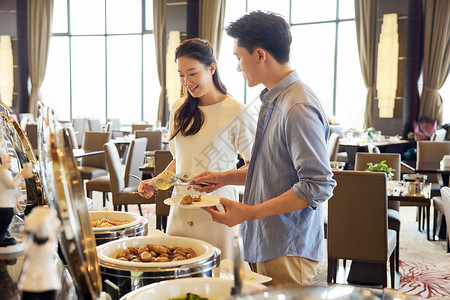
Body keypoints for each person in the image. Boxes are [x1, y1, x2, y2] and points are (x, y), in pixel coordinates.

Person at [193, 11, 336, 285]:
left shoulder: (298, 106)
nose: (237, 67)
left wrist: (249, 212)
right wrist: (221, 178)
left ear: (259, 55)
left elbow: (318, 185)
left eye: (238, 58)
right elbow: (270, 171)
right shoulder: (275, 99)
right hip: (264, 240)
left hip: (286, 247)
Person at [139, 38, 256, 259]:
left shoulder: (236, 111)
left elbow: (256, 170)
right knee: (177, 270)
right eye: (181, 74)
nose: (186, 81)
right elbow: (180, 161)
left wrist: (220, 177)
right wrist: (156, 182)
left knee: (219, 277)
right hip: (181, 209)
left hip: (217, 212)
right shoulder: (178, 109)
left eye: (192, 73)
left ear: (211, 68)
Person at [0, 149, 34, 248]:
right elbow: (12, 185)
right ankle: (1, 238)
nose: (9, 157)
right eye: (6, 156)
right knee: (4, 220)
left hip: (7, 203)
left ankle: (3, 234)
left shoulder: (5, 172)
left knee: (5, 221)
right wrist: (22, 174)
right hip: (4, 205)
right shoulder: (2, 172)